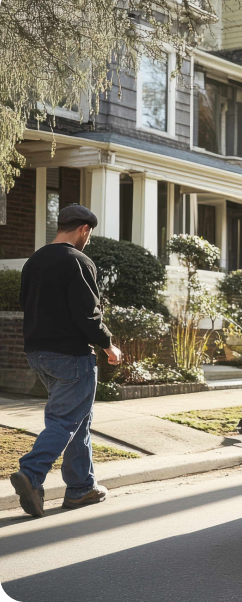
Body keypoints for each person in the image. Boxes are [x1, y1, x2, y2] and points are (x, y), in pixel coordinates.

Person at [10, 205, 122, 518]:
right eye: (89, 234)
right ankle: (31, 473)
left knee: (77, 419)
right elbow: (88, 314)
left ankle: (81, 488)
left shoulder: (36, 260)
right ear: (84, 229)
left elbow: (25, 304)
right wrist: (108, 345)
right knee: (65, 421)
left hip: (37, 353)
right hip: (71, 357)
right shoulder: (78, 261)